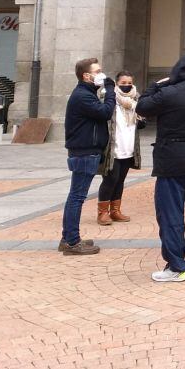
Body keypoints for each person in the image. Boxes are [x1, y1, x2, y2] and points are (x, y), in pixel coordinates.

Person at [137, 54, 185, 282]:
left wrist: (155, 84)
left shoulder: (167, 93)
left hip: (172, 160)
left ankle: (176, 266)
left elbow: (143, 106)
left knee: (171, 215)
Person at [60, 57, 115, 255]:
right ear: (86, 75)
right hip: (84, 151)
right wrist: (110, 91)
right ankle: (72, 242)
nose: (101, 74)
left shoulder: (86, 93)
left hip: (86, 150)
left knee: (75, 195)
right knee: (77, 197)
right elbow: (105, 112)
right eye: (97, 71)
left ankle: (68, 237)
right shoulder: (83, 95)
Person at [96, 70, 141, 226]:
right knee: (110, 179)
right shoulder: (109, 98)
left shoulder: (136, 99)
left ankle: (115, 210)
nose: (127, 86)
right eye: (123, 83)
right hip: (112, 147)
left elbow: (141, 120)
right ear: (116, 83)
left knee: (120, 179)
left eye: (129, 83)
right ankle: (102, 212)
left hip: (128, 146)